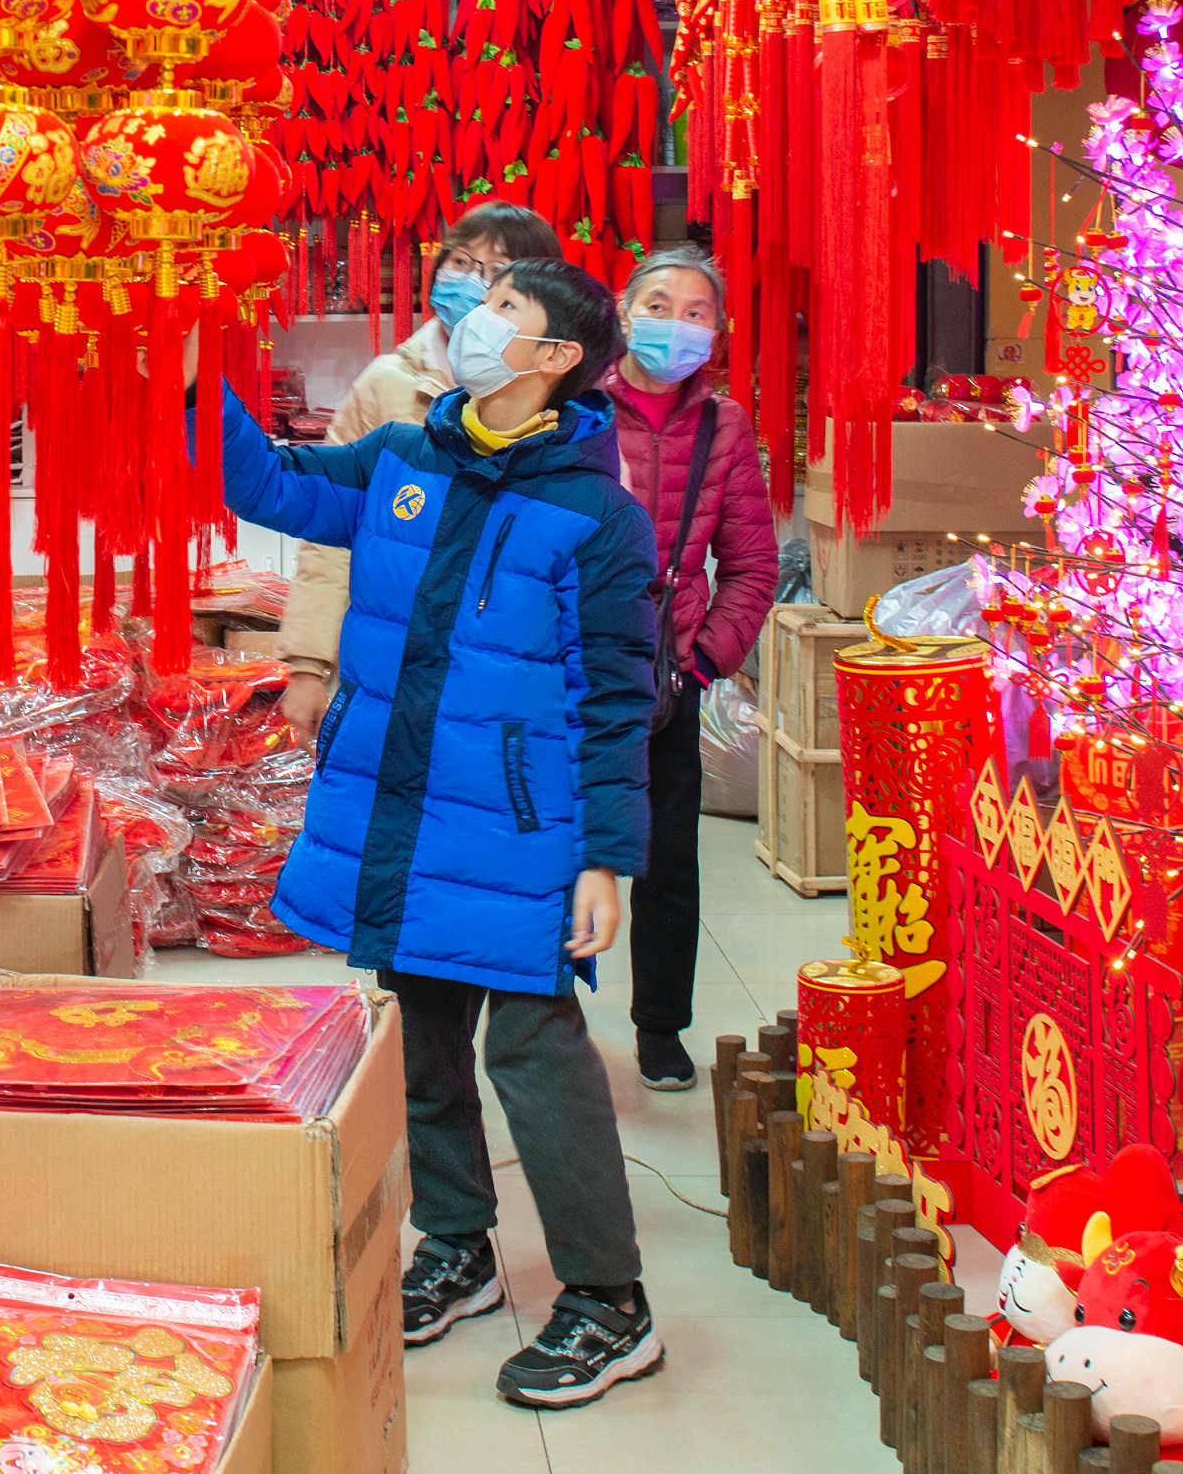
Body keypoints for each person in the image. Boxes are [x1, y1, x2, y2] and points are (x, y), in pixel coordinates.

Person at [212, 255, 664, 1411]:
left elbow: (618, 700)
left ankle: (610, 1301)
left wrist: (606, 858)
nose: (472, 316)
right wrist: (190, 377)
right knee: (420, 1038)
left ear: (554, 357)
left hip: (521, 831)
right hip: (402, 809)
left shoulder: (597, 519)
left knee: (533, 1052)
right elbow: (270, 486)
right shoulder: (404, 458)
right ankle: (457, 1242)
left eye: (505, 307)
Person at [277, 203, 563, 742]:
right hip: (387, 660)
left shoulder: (564, 403)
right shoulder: (387, 385)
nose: (472, 281)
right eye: (460, 261)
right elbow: (331, 534)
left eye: (496, 269)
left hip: (508, 675)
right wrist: (308, 665)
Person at [603, 245, 778, 1092]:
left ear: (717, 330)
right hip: (569, 674)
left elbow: (752, 565)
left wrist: (705, 662)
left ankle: (660, 1025)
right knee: (550, 852)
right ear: (623, 311)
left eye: (696, 311)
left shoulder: (724, 425)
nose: (676, 324)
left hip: (667, 679)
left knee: (668, 863)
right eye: (659, 305)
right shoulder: (575, 406)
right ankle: (541, 1022)